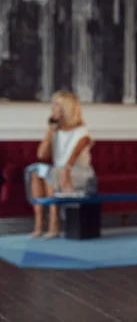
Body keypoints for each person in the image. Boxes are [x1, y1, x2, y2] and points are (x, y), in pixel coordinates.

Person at [25, 90, 97, 239]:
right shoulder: (56, 131)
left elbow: (71, 159)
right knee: (35, 170)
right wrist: (50, 131)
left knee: (50, 174)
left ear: (67, 108)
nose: (52, 107)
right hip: (59, 171)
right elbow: (41, 155)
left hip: (78, 173)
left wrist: (65, 170)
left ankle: (54, 223)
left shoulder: (82, 131)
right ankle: (39, 223)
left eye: (56, 104)